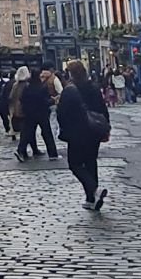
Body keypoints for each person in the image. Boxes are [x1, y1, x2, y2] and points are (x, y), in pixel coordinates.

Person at [56, 60, 110, 212]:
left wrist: (64, 129)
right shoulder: (93, 87)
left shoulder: (69, 90)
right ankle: (91, 199)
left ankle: (94, 190)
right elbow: (103, 109)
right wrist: (106, 129)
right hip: (94, 131)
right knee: (91, 162)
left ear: (70, 74)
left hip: (77, 132)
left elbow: (61, 113)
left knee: (75, 164)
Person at [17, 68, 59, 161]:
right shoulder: (42, 87)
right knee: (47, 133)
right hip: (41, 113)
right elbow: (44, 101)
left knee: (27, 133)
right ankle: (52, 154)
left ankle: (21, 150)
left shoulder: (27, 87)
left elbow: (21, 98)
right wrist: (53, 100)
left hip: (29, 113)